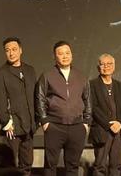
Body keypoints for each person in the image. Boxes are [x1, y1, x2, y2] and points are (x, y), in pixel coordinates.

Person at [35, 41, 92, 176]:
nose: (65, 56)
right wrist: (45, 122)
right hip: (54, 126)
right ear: (55, 57)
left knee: (73, 166)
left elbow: (87, 99)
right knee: (50, 165)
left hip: (77, 126)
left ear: (72, 55)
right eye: (60, 53)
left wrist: (86, 123)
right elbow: (40, 98)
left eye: (67, 53)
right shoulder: (47, 76)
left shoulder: (81, 76)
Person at [0, 37, 37, 175]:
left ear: (20, 50)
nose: (11, 53)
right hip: (12, 126)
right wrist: (6, 122)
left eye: (14, 49)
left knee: (27, 163)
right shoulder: (1, 73)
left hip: (29, 125)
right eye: (7, 50)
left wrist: (36, 120)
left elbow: (35, 96)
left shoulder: (30, 70)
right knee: (10, 164)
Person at [89, 54, 121, 176]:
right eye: (103, 64)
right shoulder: (91, 85)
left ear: (114, 66)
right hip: (102, 130)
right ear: (98, 67)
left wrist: (119, 123)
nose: (106, 66)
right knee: (100, 165)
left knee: (116, 165)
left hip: (118, 131)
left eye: (109, 64)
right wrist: (108, 124)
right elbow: (93, 107)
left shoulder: (120, 86)